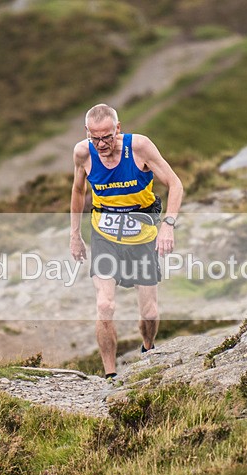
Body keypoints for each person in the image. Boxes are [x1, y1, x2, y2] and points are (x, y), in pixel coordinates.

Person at [70, 103, 183, 380]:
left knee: (149, 311)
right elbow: (77, 189)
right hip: (105, 236)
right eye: (94, 137)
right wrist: (75, 235)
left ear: (118, 129)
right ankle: (110, 375)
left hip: (142, 236)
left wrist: (168, 225)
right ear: (87, 133)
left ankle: (147, 350)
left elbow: (175, 184)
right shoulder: (83, 153)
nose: (101, 143)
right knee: (105, 305)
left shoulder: (140, 147)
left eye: (107, 136)